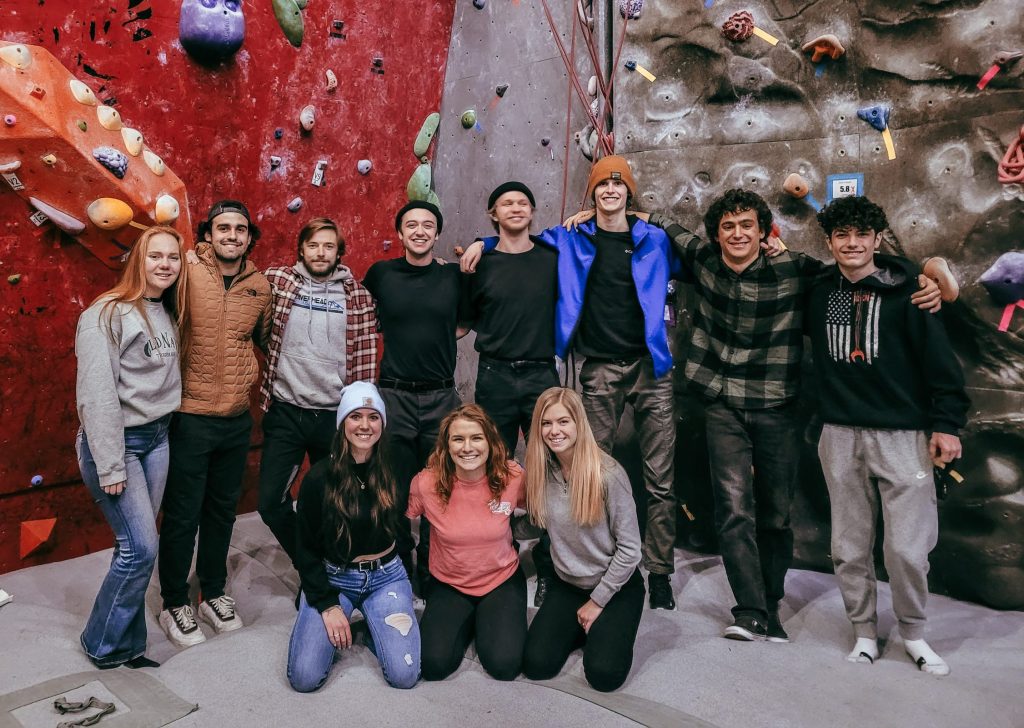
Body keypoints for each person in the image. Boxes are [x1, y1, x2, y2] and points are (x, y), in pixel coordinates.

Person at [647, 189, 945, 642]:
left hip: (777, 406)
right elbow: (669, 226)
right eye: (727, 226)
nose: (737, 233)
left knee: (775, 516)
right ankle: (748, 611)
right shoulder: (704, 260)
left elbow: (859, 269)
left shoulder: (795, 270)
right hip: (722, 405)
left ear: (765, 231)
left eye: (747, 225)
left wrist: (928, 273)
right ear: (717, 234)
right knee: (732, 512)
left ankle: (769, 604)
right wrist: (630, 207)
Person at [462, 156, 681, 611]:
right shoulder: (569, 239)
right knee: (578, 476)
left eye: (618, 187)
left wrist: (772, 243)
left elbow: (698, 259)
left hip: (650, 369)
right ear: (593, 194)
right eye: (602, 187)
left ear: (629, 194)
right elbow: (516, 239)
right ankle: (577, 563)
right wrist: (482, 242)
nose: (610, 193)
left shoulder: (655, 240)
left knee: (660, 481)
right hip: (597, 367)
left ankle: (658, 572)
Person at [807, 196, 968, 675]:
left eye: (861, 234)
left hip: (903, 435)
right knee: (848, 546)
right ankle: (863, 632)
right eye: (841, 235)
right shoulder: (817, 291)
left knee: (906, 550)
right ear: (830, 242)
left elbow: (941, 364)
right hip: (839, 433)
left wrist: (947, 424)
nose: (851, 243)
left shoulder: (911, 293)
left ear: (877, 239)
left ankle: (914, 634)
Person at [157, 200, 272, 647]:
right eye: (223, 228)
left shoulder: (259, 286)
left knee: (222, 512)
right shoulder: (185, 271)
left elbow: (261, 341)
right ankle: (173, 601)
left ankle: (213, 592)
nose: (232, 236)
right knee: (183, 514)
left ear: (249, 237)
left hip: (235, 420)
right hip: (189, 416)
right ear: (208, 234)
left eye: (240, 230)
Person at [75, 225, 190, 669]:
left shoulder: (164, 309)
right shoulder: (105, 314)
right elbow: (96, 395)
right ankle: (101, 643)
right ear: (137, 261)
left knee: (139, 545)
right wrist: (110, 465)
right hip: (118, 443)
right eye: (155, 256)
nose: (165, 264)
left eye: (173, 257)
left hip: (157, 437)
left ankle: (130, 644)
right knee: (139, 548)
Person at [461, 181, 559, 605]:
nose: (516, 208)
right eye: (506, 203)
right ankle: (494, 556)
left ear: (533, 212)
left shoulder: (552, 258)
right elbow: (463, 323)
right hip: (495, 375)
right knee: (490, 469)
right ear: (493, 214)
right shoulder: (479, 263)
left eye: (523, 202)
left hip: (541, 375)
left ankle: (551, 563)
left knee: (550, 469)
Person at [258, 217, 378, 564]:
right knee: (269, 502)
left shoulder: (357, 295)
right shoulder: (277, 281)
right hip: (286, 411)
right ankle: (311, 566)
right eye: (313, 245)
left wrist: (362, 416)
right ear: (301, 248)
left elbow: (367, 360)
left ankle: (336, 567)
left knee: (339, 501)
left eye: (329, 246)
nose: (320, 252)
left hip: (335, 417)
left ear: (339, 252)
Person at [362, 200, 468, 590]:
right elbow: (363, 317)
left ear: (437, 234)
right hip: (394, 396)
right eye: (412, 225)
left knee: (441, 489)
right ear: (400, 233)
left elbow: (465, 322)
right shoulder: (381, 274)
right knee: (395, 489)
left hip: (442, 397)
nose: (420, 230)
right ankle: (400, 565)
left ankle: (431, 569)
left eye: (428, 225)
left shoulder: (453, 278)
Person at [288, 381, 420, 691]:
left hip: (386, 576)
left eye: (373, 417)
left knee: (404, 676)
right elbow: (305, 549)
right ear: (342, 423)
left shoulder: (397, 465)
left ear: (382, 424)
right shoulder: (319, 479)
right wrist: (326, 604)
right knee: (305, 678)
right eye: (355, 416)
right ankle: (346, 613)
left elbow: (402, 529)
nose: (365, 425)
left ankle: (376, 619)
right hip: (336, 578)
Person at [522, 387, 644, 692]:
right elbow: (534, 523)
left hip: (614, 587)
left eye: (563, 421)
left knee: (604, 675)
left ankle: (601, 624)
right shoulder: (541, 472)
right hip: (568, 584)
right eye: (546, 423)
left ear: (579, 423)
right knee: (536, 665)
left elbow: (630, 550)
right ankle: (579, 627)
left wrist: (597, 602)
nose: (554, 431)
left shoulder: (608, 474)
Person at [407, 404, 527, 681]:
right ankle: (469, 619)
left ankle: (486, 619)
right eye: (458, 439)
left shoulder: (512, 476)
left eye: (476, 438)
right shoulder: (426, 483)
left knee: (504, 665)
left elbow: (540, 513)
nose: (467, 447)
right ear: (446, 445)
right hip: (449, 582)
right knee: (433, 666)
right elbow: (403, 519)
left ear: (490, 441)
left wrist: (514, 532)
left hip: (500, 579)